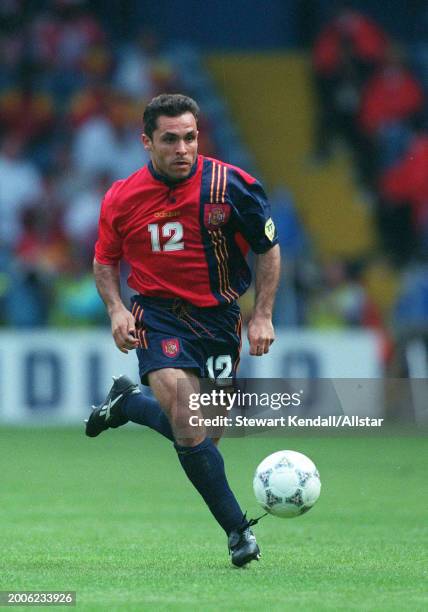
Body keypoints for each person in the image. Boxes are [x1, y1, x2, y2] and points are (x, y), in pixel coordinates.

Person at [85, 94, 280, 567]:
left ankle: (127, 403)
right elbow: (105, 260)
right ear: (147, 142)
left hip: (218, 318)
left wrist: (263, 314)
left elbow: (267, 248)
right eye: (170, 139)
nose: (182, 149)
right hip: (158, 313)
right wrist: (115, 309)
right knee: (189, 427)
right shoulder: (122, 197)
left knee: (202, 435)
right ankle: (239, 532)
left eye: (190, 138)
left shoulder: (231, 186)